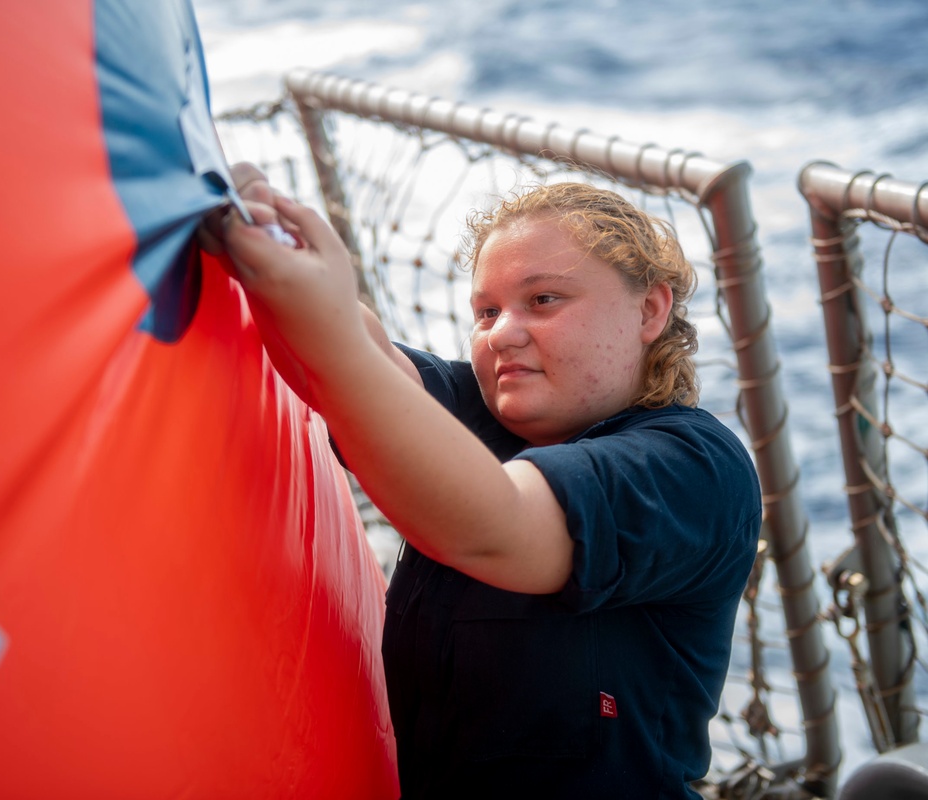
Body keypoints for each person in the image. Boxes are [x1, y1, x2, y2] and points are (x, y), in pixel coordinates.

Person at [207, 164, 763, 799]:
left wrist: (332, 333)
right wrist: (249, 233)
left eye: (544, 300)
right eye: (486, 310)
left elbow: (498, 528)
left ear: (649, 309)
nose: (503, 333)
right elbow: (348, 364)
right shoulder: (483, 406)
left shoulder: (689, 468)